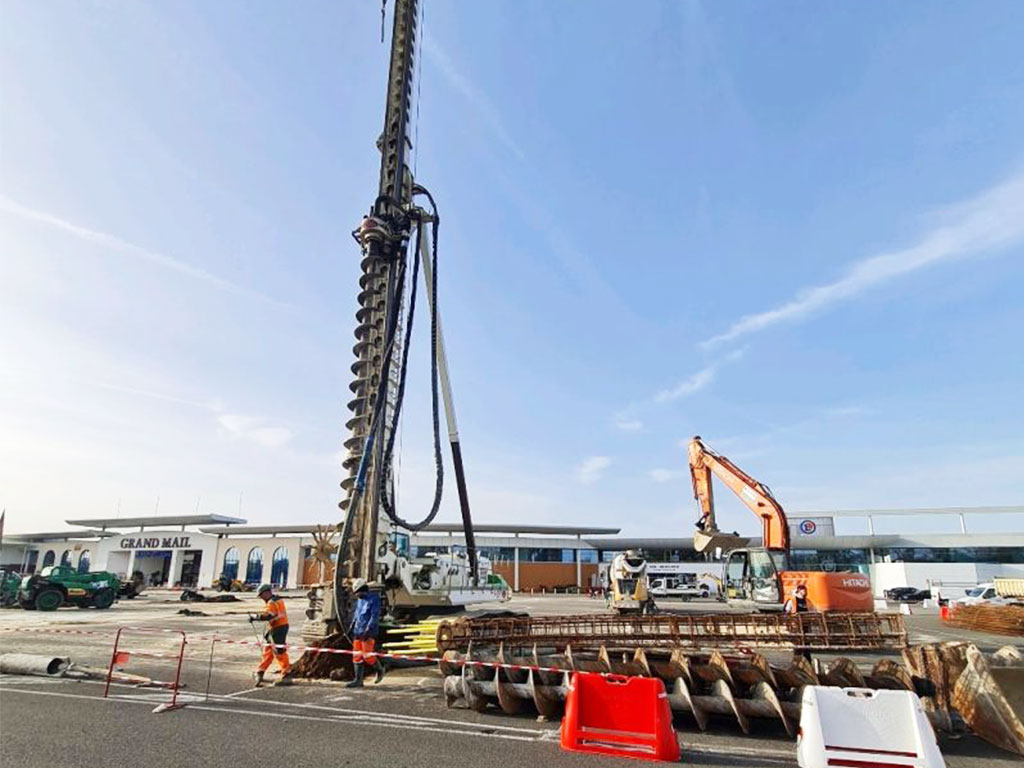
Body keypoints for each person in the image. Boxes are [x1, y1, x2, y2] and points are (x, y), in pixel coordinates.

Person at [250, 583, 291, 686]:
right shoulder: (278, 600)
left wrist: (256, 617)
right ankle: (261, 670)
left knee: (279, 652)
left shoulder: (272, 603)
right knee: (268, 650)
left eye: (262, 595)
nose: (261, 598)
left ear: (267, 592)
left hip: (278, 628)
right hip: (278, 627)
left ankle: (286, 674)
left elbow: (268, 616)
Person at [346, 578, 385, 688]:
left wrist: (368, 630)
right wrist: (352, 626)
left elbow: (374, 616)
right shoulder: (360, 600)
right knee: (357, 656)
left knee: (367, 656)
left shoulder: (374, 599)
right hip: (358, 631)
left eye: (357, 592)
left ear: (363, 590)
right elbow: (357, 615)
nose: (356, 595)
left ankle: (380, 669)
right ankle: (358, 680)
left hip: (368, 632)